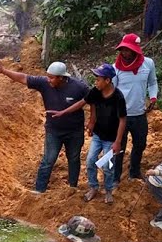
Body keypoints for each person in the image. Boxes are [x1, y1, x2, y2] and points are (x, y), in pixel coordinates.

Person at [0, 59, 88, 194]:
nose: (48, 80)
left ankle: (73, 188)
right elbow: (23, 78)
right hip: (53, 130)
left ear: (61, 78)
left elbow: (92, 100)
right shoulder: (44, 83)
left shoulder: (79, 87)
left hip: (74, 131)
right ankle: (39, 190)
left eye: (51, 78)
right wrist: (4, 71)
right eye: (48, 76)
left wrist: (92, 121)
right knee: (48, 160)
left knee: (73, 158)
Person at [48, 64, 127, 203]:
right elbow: (82, 103)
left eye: (98, 80)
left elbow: (122, 120)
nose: (96, 82)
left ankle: (108, 190)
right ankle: (93, 187)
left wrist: (118, 142)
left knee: (107, 166)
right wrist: (63, 112)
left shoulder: (118, 97)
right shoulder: (96, 91)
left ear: (107, 80)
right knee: (90, 161)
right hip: (98, 136)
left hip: (111, 139)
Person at [112, 33, 158, 182]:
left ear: (135, 50)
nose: (124, 53)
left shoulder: (148, 64)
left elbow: (152, 82)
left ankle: (134, 172)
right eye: (122, 50)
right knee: (119, 146)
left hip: (139, 113)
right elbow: (112, 91)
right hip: (121, 116)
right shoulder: (115, 69)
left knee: (140, 144)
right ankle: (115, 177)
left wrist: (153, 97)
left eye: (128, 50)